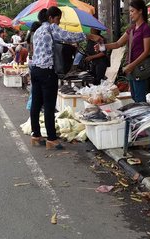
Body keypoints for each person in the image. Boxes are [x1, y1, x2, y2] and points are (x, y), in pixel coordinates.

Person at [30, 7, 102, 150]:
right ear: (51, 18)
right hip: (47, 71)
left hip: (35, 70)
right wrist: (89, 36)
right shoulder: (51, 28)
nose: (58, 22)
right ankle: (51, 139)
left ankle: (36, 135)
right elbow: (68, 36)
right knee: (50, 105)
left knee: (36, 103)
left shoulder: (37, 31)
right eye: (58, 19)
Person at [97, 0, 150, 102]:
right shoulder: (131, 29)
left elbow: (146, 52)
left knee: (140, 98)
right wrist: (102, 47)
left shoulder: (146, 29)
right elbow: (117, 44)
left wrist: (132, 65)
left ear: (140, 11)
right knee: (134, 97)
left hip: (139, 68)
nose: (130, 14)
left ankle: (141, 116)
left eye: (132, 11)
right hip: (131, 69)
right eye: (130, 12)